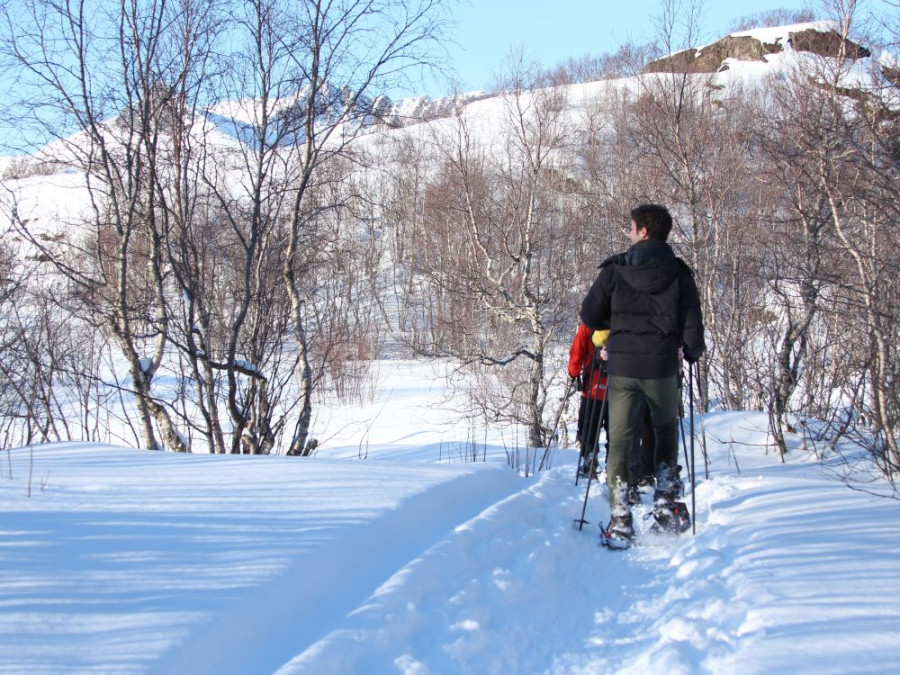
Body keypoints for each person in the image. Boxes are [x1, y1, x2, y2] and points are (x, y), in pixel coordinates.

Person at [580, 204, 705, 548]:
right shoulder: (679, 274)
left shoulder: (615, 270)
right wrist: (692, 351)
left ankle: (621, 519)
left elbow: (590, 314)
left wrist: (616, 327)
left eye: (631, 227)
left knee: (620, 440)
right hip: (663, 368)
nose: (629, 232)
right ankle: (665, 503)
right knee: (665, 432)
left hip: (622, 369)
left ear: (644, 231)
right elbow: (692, 323)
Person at [567, 323, 610, 479]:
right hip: (619, 389)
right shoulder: (624, 316)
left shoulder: (591, 321)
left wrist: (573, 372)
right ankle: (613, 464)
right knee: (616, 431)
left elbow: (577, 350)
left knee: (588, 428)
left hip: (593, 387)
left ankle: (589, 462)